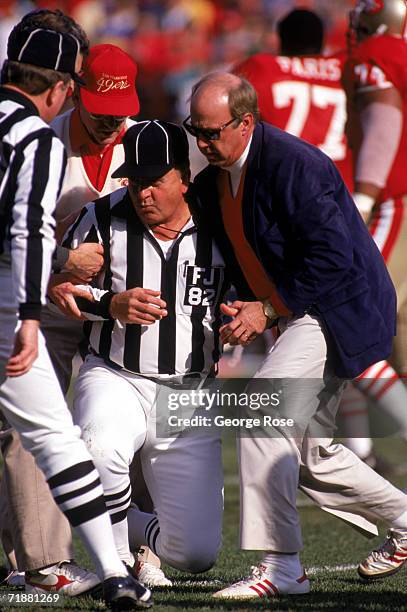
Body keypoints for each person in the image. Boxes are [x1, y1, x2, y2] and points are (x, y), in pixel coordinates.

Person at [187, 71, 407, 599]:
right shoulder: (217, 170)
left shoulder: (295, 163)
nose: (201, 141)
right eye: (194, 129)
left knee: (264, 415)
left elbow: (334, 258)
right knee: (311, 454)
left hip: (337, 308)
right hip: (301, 309)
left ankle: (281, 566)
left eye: (211, 132)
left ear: (246, 122)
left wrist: (267, 308)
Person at [1, 36, 169, 591]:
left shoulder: (143, 143)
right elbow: (18, 233)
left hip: (127, 308)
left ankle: (143, 544)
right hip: (49, 303)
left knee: (139, 420)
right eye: (100, 111)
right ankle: (44, 558)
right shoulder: (41, 138)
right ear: (75, 94)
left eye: (120, 113)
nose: (109, 124)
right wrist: (58, 269)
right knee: (32, 426)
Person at [49, 120, 228, 578]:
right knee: (99, 445)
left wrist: (258, 312)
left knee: (195, 556)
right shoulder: (102, 215)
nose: (142, 193)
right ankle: (118, 568)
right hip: (116, 374)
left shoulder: (223, 222)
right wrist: (112, 304)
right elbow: (60, 287)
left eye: (154, 182)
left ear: (184, 177)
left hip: (190, 392)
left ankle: (131, 526)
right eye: (134, 181)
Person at [234, 7, 407, 472]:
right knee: (337, 332)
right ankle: (361, 448)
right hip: (342, 204)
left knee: (347, 329)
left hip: (298, 210)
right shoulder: (343, 64)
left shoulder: (263, 69)